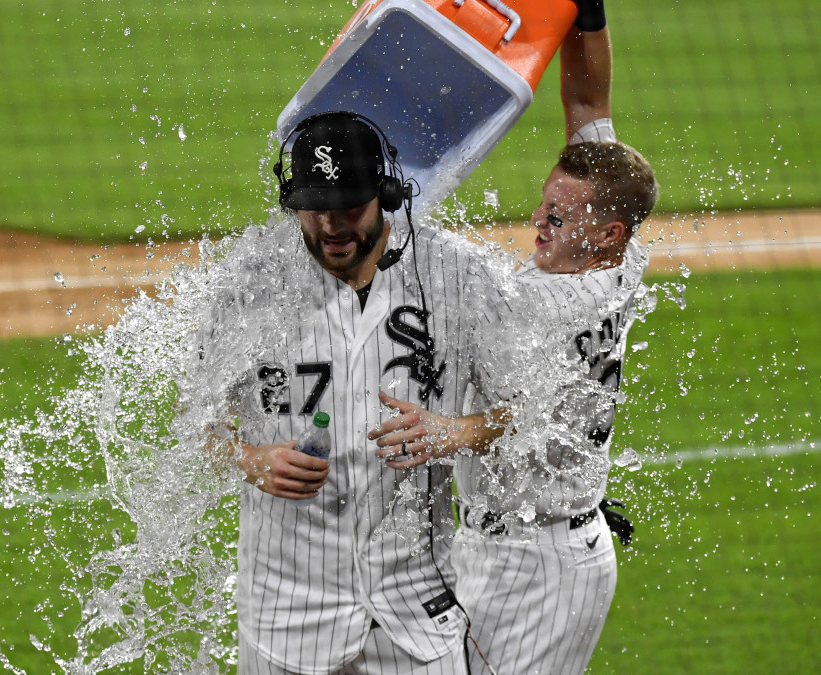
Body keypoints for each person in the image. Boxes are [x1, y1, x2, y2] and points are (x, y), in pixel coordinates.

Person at [369, 6, 659, 672]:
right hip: (503, 544)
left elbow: (529, 415)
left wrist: (449, 432)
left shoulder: (545, 301)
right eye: (544, 202)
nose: (538, 220)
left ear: (606, 234)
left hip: (540, 572)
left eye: (557, 216)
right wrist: (586, 16)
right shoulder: (623, 254)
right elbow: (587, 96)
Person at [206, 111, 511, 674]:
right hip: (286, 615)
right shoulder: (247, 284)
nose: (331, 225)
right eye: (314, 208)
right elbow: (196, 421)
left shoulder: (460, 276)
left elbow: (524, 409)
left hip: (418, 616)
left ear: (387, 192)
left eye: (350, 206)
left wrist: (455, 432)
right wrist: (247, 458)